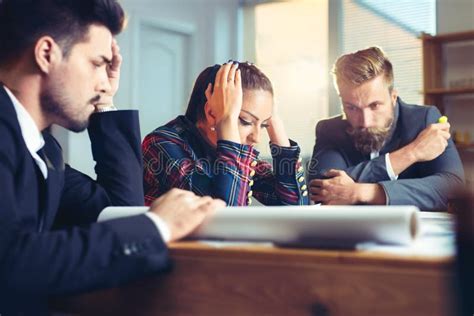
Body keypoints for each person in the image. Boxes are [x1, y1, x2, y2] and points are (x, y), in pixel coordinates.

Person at [0, 0, 224, 313]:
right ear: (47, 54)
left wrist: (103, 100)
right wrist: (157, 226)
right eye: (97, 63)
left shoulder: (44, 151)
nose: (106, 82)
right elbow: (10, 264)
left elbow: (119, 207)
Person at [308, 46, 464, 211]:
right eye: (351, 107)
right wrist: (411, 153)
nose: (365, 122)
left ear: (393, 97)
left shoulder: (424, 120)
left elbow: (452, 186)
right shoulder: (329, 129)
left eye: (374, 105)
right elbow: (321, 188)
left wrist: (367, 192)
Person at [143, 62, 309, 206]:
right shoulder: (161, 144)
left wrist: (275, 123)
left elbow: (295, 206)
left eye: (264, 125)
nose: (256, 138)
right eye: (245, 121)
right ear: (212, 113)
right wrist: (227, 121)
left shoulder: (231, 150)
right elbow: (225, 215)